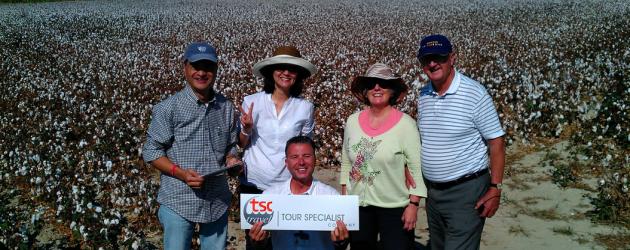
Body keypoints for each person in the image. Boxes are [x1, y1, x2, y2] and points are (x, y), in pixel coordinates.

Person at [142, 41, 241, 250]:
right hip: (179, 200)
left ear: (216, 69)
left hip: (217, 201)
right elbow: (151, 151)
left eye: (208, 67)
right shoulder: (169, 108)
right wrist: (180, 173)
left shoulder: (226, 108)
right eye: (196, 66)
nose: (201, 73)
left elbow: (231, 144)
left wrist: (232, 158)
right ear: (185, 67)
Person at [415, 34, 506, 250]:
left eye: (439, 57)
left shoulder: (475, 93)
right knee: (438, 245)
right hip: (433, 193)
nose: (432, 63)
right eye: (426, 59)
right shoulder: (424, 95)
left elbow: (497, 143)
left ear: (453, 58)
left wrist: (495, 188)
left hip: (466, 192)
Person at [340, 63, 426, 250]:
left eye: (383, 83)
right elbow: (346, 162)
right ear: (365, 90)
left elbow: (416, 168)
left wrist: (413, 205)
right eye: (371, 84)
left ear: (393, 91)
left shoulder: (406, 125)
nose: (376, 88)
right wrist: (345, 201)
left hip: (395, 207)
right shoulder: (352, 121)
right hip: (359, 206)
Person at [238, 45, 317, 249]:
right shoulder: (251, 102)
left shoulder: (305, 108)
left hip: (288, 185)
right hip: (254, 183)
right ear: (270, 72)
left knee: (289, 241)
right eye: (280, 68)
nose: (286, 73)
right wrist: (246, 129)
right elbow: (241, 143)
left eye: (291, 69)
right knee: (256, 241)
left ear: (298, 75)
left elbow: (305, 147)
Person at [247, 136, 349, 250]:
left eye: (307, 156)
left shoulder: (331, 196)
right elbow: (259, 244)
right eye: (294, 157)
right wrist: (258, 242)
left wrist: (341, 242)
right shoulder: (269, 197)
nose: (301, 162)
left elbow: (342, 244)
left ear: (315, 159)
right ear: (286, 162)